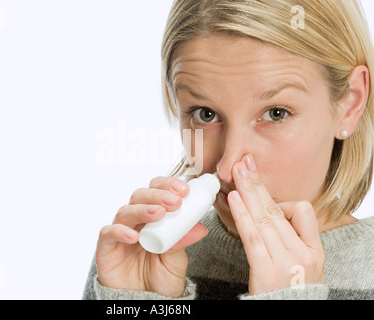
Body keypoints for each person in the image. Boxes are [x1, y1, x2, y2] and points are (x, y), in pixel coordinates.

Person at [83, 0, 374, 300]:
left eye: (276, 113)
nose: (228, 166)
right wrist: (141, 304)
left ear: (350, 103)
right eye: (204, 114)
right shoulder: (139, 253)